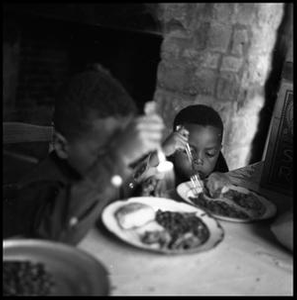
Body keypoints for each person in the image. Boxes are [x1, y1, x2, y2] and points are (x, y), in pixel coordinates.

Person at [7, 64, 164, 245]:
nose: (118, 164)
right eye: (105, 154)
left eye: (124, 151)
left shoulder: (106, 170)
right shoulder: (39, 188)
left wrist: (140, 187)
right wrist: (115, 159)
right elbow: (53, 243)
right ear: (62, 146)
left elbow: (117, 186)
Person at [134, 104, 231, 197]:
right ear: (174, 148)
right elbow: (131, 183)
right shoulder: (162, 167)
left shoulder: (218, 168)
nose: (198, 160)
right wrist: (160, 153)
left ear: (218, 151)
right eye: (188, 151)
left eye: (210, 154)